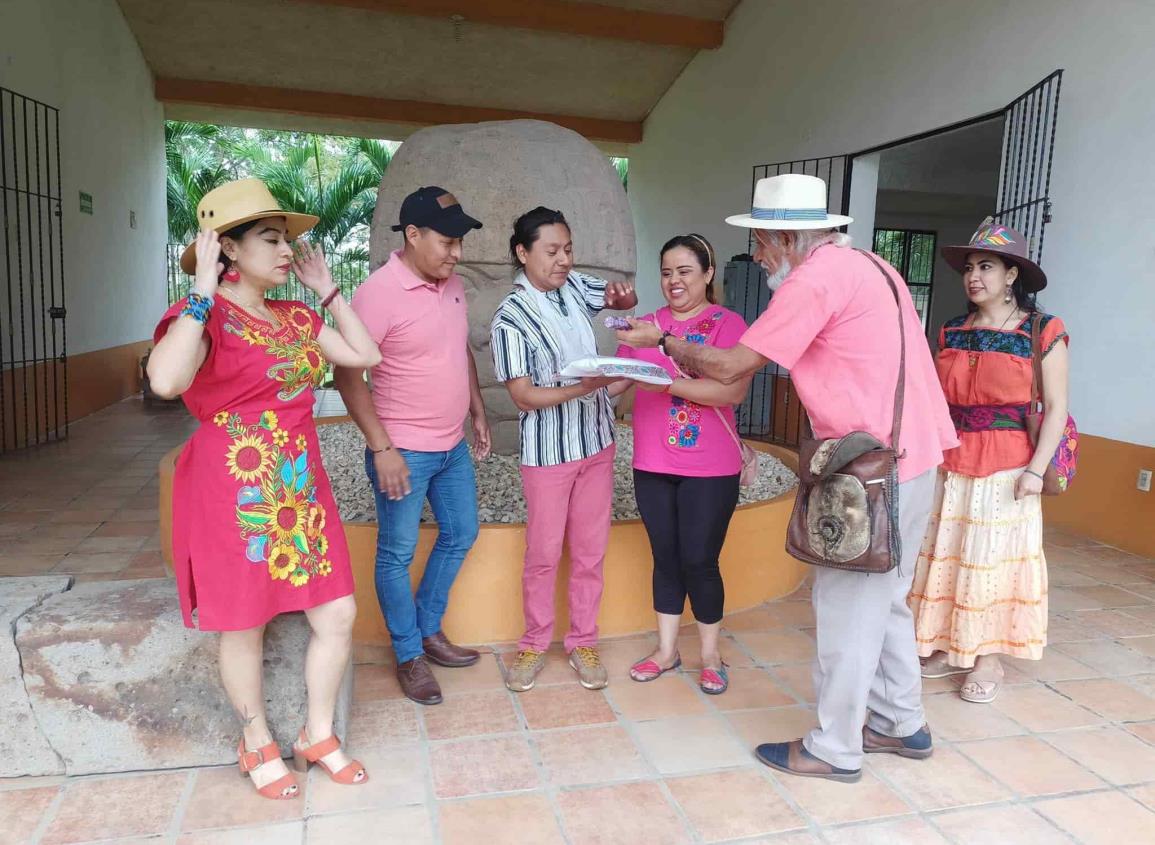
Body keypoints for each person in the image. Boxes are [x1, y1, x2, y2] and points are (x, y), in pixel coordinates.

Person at [618, 173, 958, 783]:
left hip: (872, 471)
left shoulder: (814, 279)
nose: (759, 256)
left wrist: (662, 340)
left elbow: (729, 363)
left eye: (763, 242)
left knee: (848, 610)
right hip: (917, 457)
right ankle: (901, 721)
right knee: (885, 602)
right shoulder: (871, 265)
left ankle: (834, 749)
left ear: (787, 236)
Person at [148, 178, 382, 799]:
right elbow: (168, 381)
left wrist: (326, 289)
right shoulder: (201, 316)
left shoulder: (297, 317)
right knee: (243, 622)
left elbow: (366, 354)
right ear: (226, 249)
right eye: (271, 239)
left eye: (287, 240)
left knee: (337, 611)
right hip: (233, 489)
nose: (286, 251)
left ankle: (318, 732)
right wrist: (199, 292)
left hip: (299, 487)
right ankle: (255, 742)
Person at [333, 187, 491, 707]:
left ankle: (427, 629)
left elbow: (458, 347)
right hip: (404, 448)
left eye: (460, 243)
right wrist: (382, 448)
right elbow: (347, 375)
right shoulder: (378, 294)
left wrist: (477, 408)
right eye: (447, 243)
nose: (457, 253)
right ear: (413, 235)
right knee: (396, 553)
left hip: (450, 447)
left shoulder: (451, 285)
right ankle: (408, 654)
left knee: (461, 531)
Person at [910, 220, 1069, 705]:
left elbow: (1056, 407)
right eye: (970, 268)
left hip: (1009, 468)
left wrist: (1036, 470)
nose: (974, 276)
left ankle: (987, 659)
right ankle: (944, 643)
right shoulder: (952, 330)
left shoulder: (1042, 330)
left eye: (987, 267)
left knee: (992, 562)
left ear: (1011, 275)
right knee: (950, 554)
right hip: (952, 462)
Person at [490, 206, 637, 692]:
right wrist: (586, 384)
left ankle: (583, 641)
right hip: (549, 454)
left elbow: (619, 301)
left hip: (596, 441)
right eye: (551, 251)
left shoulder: (575, 286)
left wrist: (624, 297)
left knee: (590, 551)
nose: (563, 260)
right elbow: (523, 395)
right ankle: (533, 644)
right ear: (522, 252)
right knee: (544, 553)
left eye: (568, 249)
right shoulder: (510, 318)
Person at [613, 234, 750, 695]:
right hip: (652, 461)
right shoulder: (645, 324)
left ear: (708, 274)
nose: (674, 281)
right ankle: (666, 651)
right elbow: (617, 381)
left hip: (710, 467)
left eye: (685, 271)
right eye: (667, 272)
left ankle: (710, 655)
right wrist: (579, 376)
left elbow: (729, 391)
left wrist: (664, 385)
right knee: (665, 559)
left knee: (699, 560)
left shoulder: (728, 324)